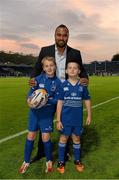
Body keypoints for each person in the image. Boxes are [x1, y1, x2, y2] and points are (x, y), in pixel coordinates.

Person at [29, 24, 89, 163]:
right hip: (50, 90)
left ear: (68, 36)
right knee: (44, 121)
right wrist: (32, 79)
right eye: (59, 34)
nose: (62, 37)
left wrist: (85, 78)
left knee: (66, 123)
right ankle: (41, 152)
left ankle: (66, 152)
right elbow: (37, 67)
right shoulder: (45, 50)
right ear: (55, 35)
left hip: (67, 91)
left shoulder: (75, 53)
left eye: (65, 35)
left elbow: (83, 70)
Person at [19, 56, 62, 173]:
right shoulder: (37, 79)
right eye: (47, 66)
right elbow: (30, 93)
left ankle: (48, 161)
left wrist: (46, 99)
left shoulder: (58, 83)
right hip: (34, 113)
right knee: (31, 136)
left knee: (45, 137)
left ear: (55, 66)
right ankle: (26, 161)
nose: (49, 68)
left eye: (51, 65)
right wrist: (29, 100)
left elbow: (58, 100)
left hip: (47, 115)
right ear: (43, 68)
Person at [56, 61, 91, 174]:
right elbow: (60, 103)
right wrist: (58, 119)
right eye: (69, 68)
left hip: (77, 119)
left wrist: (89, 115)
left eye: (75, 68)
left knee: (76, 139)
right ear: (66, 71)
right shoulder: (63, 85)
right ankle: (61, 161)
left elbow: (87, 100)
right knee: (63, 139)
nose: (72, 70)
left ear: (79, 71)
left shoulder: (82, 85)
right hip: (65, 119)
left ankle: (77, 161)